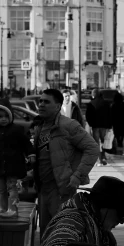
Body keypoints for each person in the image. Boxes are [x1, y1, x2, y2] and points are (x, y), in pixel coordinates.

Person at [33, 89, 99, 233]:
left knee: (61, 232)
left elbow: (93, 149)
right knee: (45, 232)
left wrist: (77, 176)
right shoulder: (39, 127)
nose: (41, 105)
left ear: (58, 106)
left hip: (61, 190)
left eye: (47, 102)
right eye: (40, 101)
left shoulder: (69, 125)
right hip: (43, 190)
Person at [85, 90, 113, 166]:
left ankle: (99, 160)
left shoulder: (91, 104)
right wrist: (110, 126)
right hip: (104, 126)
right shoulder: (106, 103)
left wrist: (91, 124)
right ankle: (103, 157)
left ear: (93, 95)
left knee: (97, 143)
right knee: (104, 143)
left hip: (95, 126)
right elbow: (110, 115)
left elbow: (88, 116)